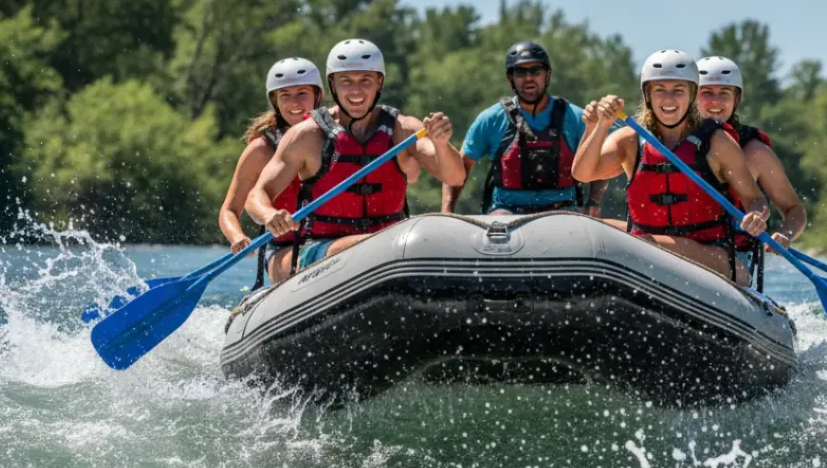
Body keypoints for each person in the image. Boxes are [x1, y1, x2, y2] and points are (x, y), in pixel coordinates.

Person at [246, 38, 465, 273]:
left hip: (391, 249)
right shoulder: (307, 136)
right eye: (346, 81)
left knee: (397, 244)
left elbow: (454, 177)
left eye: (365, 80)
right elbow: (256, 196)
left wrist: (442, 145)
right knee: (374, 246)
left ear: (379, 83)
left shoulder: (403, 129)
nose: (356, 90)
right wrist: (269, 214)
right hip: (320, 249)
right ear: (333, 84)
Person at [572, 49, 769, 283]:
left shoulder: (717, 142)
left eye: (678, 90)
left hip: (713, 257)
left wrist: (757, 216)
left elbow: (755, 200)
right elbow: (583, 173)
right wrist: (599, 126)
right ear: (648, 96)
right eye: (660, 90)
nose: (668, 99)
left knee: (644, 244)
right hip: (644, 246)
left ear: (692, 94)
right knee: (580, 226)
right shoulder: (630, 140)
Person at [440, 40, 608, 216]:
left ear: (547, 75)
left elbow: (600, 160)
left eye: (536, 71)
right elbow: (458, 169)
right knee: (501, 217)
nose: (529, 78)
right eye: (521, 72)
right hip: (506, 213)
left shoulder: (576, 118)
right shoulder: (491, 119)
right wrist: (447, 211)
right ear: (510, 78)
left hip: (563, 212)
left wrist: (593, 202)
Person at [218, 57, 322, 286]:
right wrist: (237, 237)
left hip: (329, 240)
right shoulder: (261, 150)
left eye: (302, 93)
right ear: (275, 101)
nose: (294, 102)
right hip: (282, 248)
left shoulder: (333, 138)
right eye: (285, 95)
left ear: (317, 96)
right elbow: (229, 210)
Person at [695, 56, 807, 254]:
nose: (716, 101)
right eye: (706, 93)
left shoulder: (754, 151)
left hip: (731, 257)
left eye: (725, 93)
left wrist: (785, 234)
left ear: (736, 99)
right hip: (675, 246)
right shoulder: (673, 142)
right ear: (691, 97)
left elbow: (794, 209)